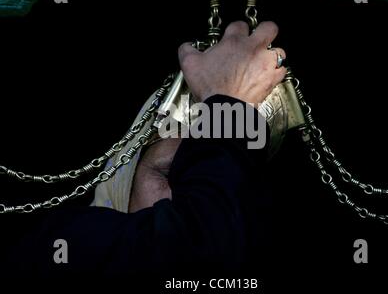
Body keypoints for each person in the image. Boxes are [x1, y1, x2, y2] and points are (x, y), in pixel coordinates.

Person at [7, 21, 287, 277]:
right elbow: (196, 247)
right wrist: (228, 102)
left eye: (224, 185)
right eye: (172, 175)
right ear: (123, 177)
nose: (191, 198)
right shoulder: (65, 248)